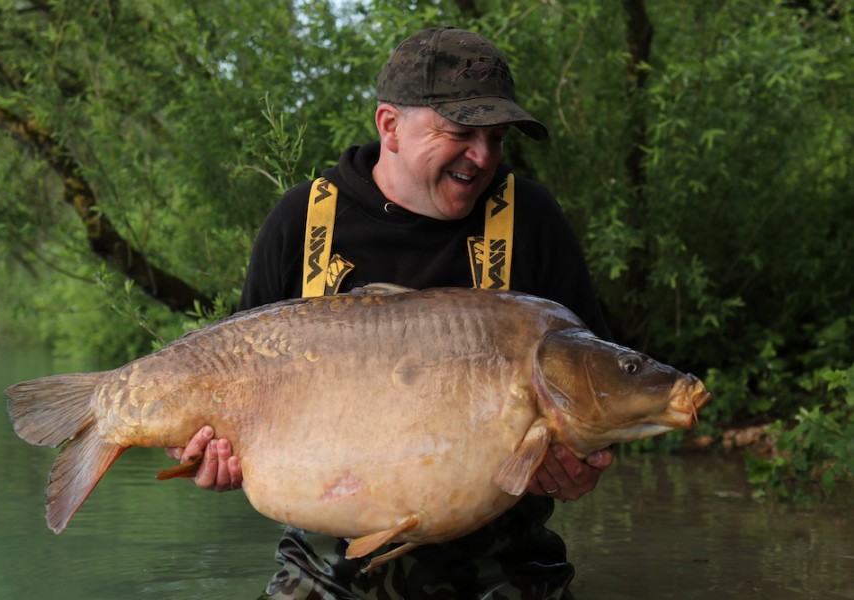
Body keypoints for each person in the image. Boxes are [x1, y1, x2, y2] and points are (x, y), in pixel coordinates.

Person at [168, 27, 613, 599]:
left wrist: (585, 465)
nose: (482, 157)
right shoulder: (304, 221)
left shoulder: (530, 218)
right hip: (328, 569)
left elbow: (600, 386)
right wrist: (211, 455)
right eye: (461, 132)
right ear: (389, 126)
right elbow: (231, 387)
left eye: (496, 137)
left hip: (503, 566)